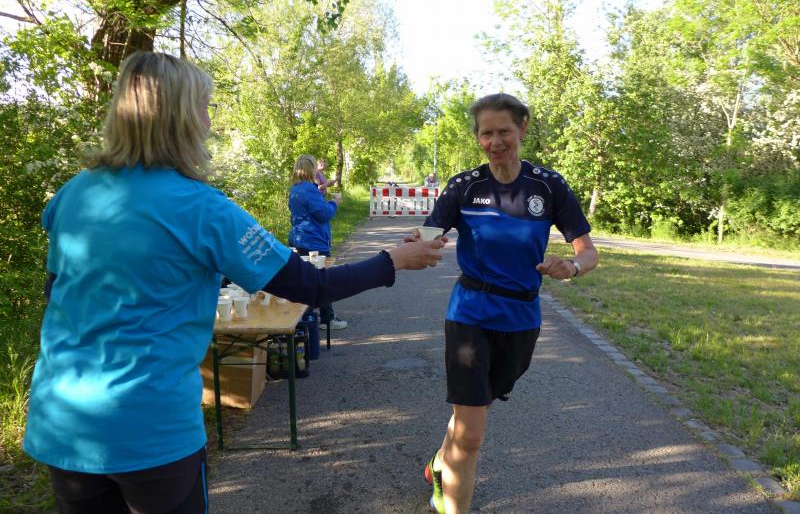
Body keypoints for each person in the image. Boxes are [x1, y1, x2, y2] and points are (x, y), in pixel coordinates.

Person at [22, 51, 445, 514]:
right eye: (205, 107)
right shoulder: (200, 207)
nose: (209, 121)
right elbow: (310, 287)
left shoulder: (74, 193)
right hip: (149, 425)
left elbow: (57, 294)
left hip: (62, 418)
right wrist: (393, 260)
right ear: (181, 118)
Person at [408, 93, 598, 514]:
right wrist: (420, 242)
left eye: (504, 132)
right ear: (477, 137)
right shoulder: (464, 186)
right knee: (472, 433)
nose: (495, 142)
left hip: (521, 320)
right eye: (486, 134)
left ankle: (439, 463)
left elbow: (588, 253)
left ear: (522, 129)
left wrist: (571, 267)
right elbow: (430, 233)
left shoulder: (548, 186)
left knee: (473, 411)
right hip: (470, 315)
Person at [288, 154, 347, 330]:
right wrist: (335, 202)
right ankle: (327, 319)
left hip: (299, 239)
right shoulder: (309, 190)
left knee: (305, 280)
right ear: (310, 169)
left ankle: (304, 319)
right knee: (323, 280)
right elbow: (324, 214)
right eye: (315, 167)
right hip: (314, 242)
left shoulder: (295, 189)